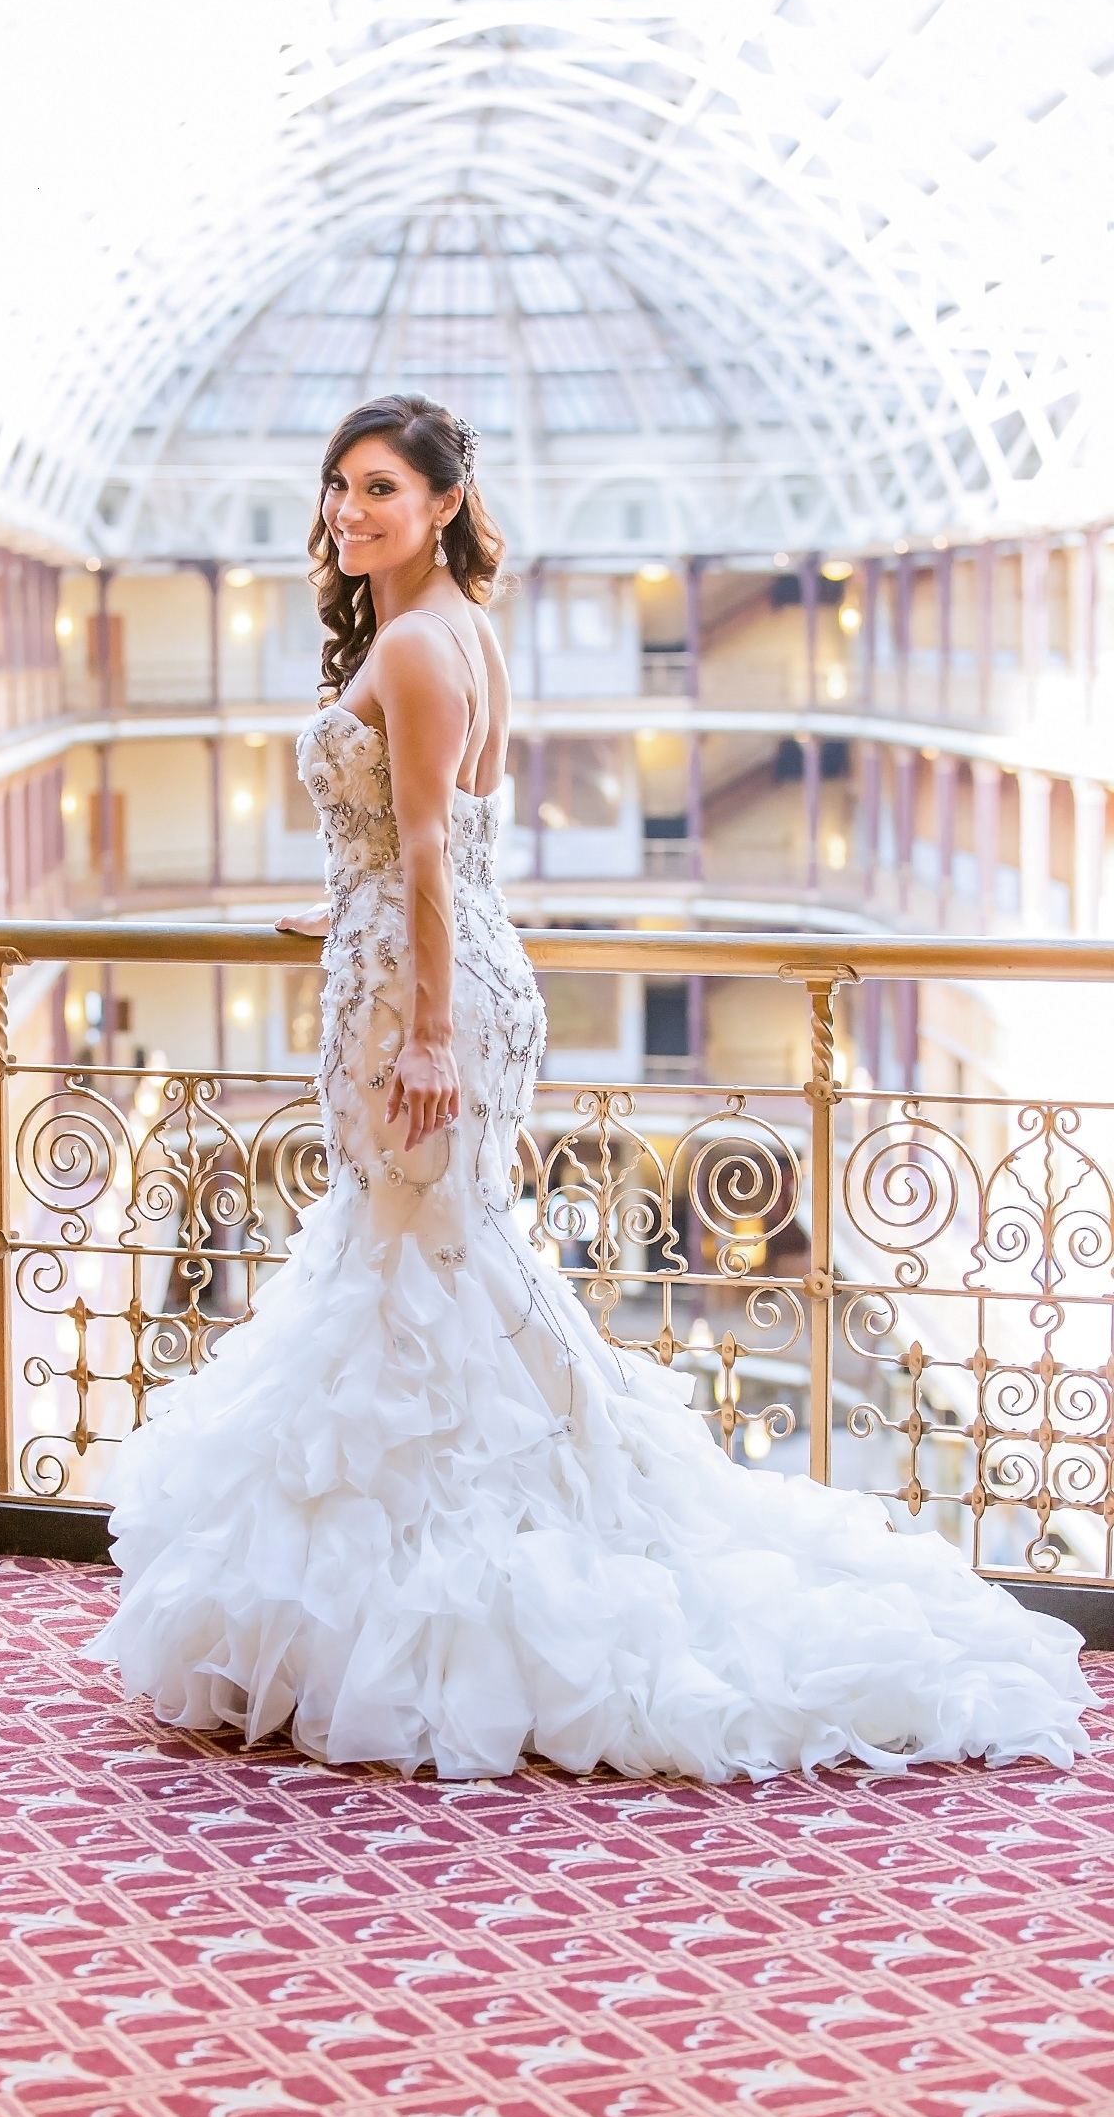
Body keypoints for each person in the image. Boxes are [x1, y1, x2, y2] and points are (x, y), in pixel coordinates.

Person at [83, 394, 1095, 1783]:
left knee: (412, 1267)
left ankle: (450, 1598)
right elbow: (434, 843)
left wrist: (429, 1027)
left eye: (380, 487)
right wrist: (352, 910)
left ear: (441, 503)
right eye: (336, 486)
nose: (348, 509)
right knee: (426, 1264)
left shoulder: (427, 644)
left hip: (426, 1005)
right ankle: (412, 1578)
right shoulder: (441, 629)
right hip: (407, 962)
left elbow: (438, 846)